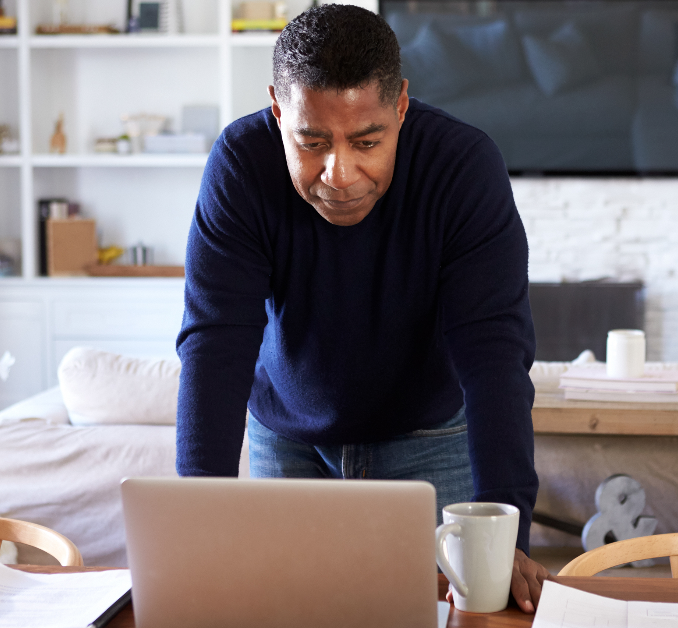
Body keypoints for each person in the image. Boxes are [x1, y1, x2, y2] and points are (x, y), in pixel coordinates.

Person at [175, 4, 548, 612]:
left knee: (457, 614)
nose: (339, 173)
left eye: (367, 141)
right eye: (311, 141)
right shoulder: (241, 164)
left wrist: (507, 532)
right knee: (282, 615)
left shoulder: (463, 168)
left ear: (400, 106)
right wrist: (190, 531)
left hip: (429, 434)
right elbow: (216, 345)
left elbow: (495, 357)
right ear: (277, 110)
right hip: (288, 438)